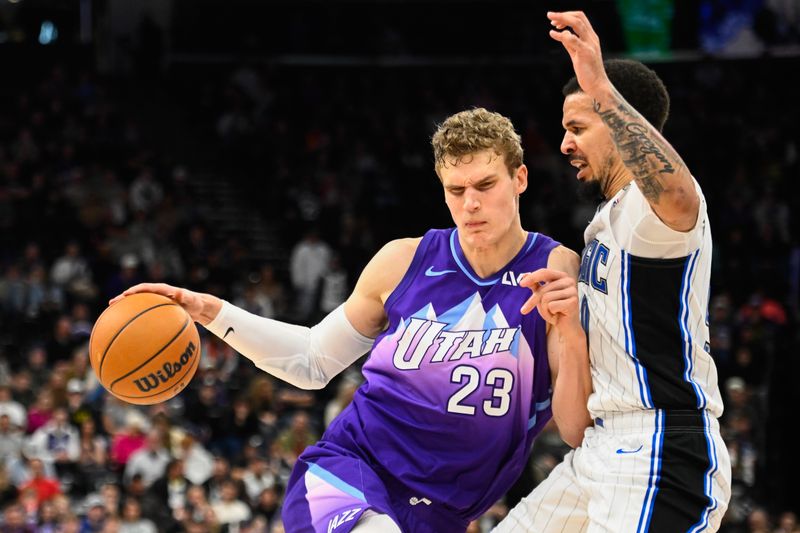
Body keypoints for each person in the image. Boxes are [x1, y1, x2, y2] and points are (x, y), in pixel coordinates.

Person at [111, 107, 592, 532]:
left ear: (521, 179)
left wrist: (569, 329)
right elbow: (311, 361)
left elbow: (574, 429)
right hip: (349, 470)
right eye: (456, 189)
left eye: (486, 185)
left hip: (440, 513)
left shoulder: (557, 269)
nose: (470, 203)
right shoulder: (404, 262)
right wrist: (208, 311)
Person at [493, 11, 732, 532]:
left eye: (578, 127)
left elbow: (674, 191)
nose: (564, 144)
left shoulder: (653, 216)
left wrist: (598, 84)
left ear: (622, 120)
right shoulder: (602, 225)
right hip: (602, 445)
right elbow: (575, 426)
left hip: (660, 446)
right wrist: (571, 328)